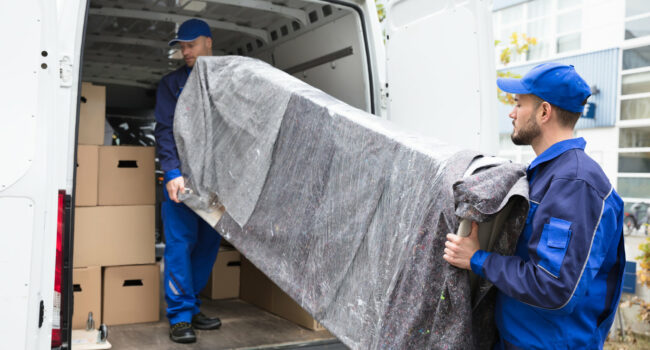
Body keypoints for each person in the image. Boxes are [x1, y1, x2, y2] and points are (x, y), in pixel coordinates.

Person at [443, 63, 625, 349]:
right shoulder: (546, 173)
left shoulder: (575, 184)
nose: (511, 113)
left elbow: (553, 288)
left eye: (518, 104)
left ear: (544, 112)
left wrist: (477, 258)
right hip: (518, 338)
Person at [154, 18, 223, 344]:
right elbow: (165, 131)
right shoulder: (172, 85)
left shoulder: (228, 82)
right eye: (181, 47)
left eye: (190, 45)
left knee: (208, 246)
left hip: (217, 184)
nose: (185, 52)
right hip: (182, 180)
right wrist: (171, 173)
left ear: (208, 42)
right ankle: (180, 316)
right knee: (181, 245)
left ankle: (193, 306)